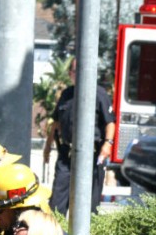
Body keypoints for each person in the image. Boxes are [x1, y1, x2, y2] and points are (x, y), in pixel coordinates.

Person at [42, 58, 115, 215]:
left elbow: (110, 123)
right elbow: (56, 123)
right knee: (56, 205)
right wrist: (47, 147)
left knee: (90, 207)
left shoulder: (99, 94)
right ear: (70, 74)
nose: (78, 75)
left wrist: (108, 144)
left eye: (82, 71)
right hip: (67, 155)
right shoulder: (66, 94)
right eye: (75, 71)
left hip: (93, 156)